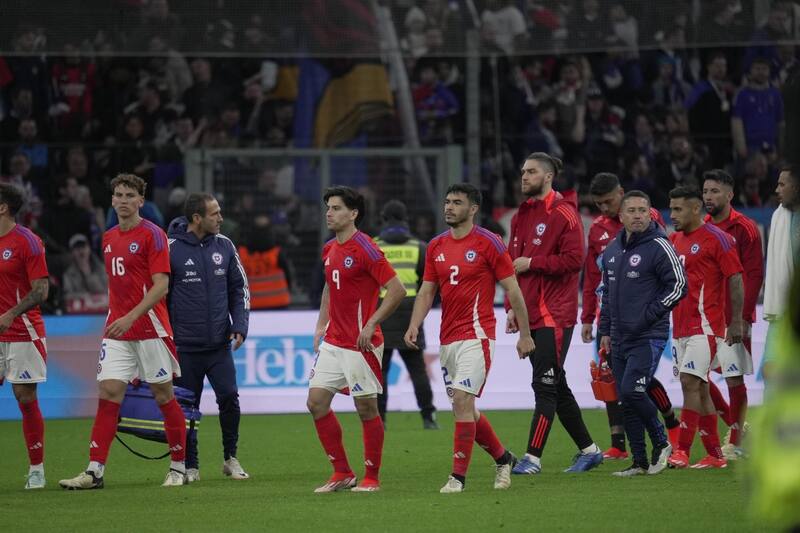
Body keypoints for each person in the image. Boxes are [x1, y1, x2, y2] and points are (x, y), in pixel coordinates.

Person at [404, 183, 534, 493]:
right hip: (447, 339)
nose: (449, 207)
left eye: (457, 202)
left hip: (477, 336)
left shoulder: (489, 243)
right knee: (466, 410)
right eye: (447, 201)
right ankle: (504, 458)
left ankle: (457, 478)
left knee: (462, 401)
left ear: (472, 209)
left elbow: (512, 289)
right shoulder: (435, 245)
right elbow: (426, 291)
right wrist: (414, 324)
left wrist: (525, 334)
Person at [59, 174, 187, 489]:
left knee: (163, 395)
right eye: (119, 194)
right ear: (112, 200)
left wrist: (131, 316)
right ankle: (94, 471)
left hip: (151, 328)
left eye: (130, 195)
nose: (124, 200)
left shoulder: (153, 235)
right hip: (118, 330)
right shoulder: (108, 238)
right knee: (108, 394)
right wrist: (120, 318)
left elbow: (162, 286)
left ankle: (179, 467)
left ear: (141, 201)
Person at [506, 152, 603, 475]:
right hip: (530, 314)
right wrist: (512, 309)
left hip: (554, 315)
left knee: (544, 385)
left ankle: (532, 458)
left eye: (531, 172)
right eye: (523, 171)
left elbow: (575, 260)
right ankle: (590, 451)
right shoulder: (521, 215)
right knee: (556, 385)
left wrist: (534, 263)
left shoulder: (565, 213)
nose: (524, 177)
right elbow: (511, 266)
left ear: (548, 177)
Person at [307, 186, 406, 493]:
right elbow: (328, 287)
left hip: (361, 344)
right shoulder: (329, 249)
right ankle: (342, 473)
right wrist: (321, 324)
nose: (329, 213)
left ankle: (371, 478)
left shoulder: (366, 248)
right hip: (334, 341)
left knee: (366, 409)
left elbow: (397, 289)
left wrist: (372, 323)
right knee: (316, 402)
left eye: (336, 208)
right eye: (328, 207)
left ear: (353, 214)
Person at [582, 172, 681, 460]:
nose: (604, 208)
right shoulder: (604, 236)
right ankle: (625, 448)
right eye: (599, 204)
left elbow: (673, 281)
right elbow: (595, 278)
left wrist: (650, 313)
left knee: (638, 384)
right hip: (614, 321)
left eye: (609, 201)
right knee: (618, 384)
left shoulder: (653, 231)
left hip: (646, 324)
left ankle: (668, 427)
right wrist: (593, 319)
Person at [167, 192, 250, 483]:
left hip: (218, 345)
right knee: (187, 409)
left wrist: (239, 324)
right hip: (184, 348)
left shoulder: (225, 246)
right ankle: (190, 465)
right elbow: (159, 297)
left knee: (230, 398)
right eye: (215, 213)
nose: (221, 218)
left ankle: (230, 458)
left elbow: (238, 289)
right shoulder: (170, 249)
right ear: (197, 218)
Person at [666, 186, 744, 469]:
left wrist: (736, 321)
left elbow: (735, 278)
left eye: (678, 209)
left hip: (707, 326)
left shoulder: (718, 239)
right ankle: (715, 455)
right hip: (680, 327)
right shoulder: (673, 240)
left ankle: (682, 451)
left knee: (690, 383)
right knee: (699, 388)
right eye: (671, 208)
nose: (672, 214)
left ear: (695, 209)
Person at [702, 169, 765, 459]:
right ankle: (738, 428)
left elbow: (753, 275)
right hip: (706, 315)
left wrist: (742, 317)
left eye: (715, 191)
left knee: (733, 377)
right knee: (697, 376)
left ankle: (737, 440)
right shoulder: (702, 226)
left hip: (733, 317)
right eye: (705, 192)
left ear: (729, 195)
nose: (708, 197)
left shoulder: (745, 227)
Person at [0, 183, 49, 489]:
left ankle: (37, 469)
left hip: (22, 331)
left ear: (2, 207)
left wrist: (10, 314)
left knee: (25, 397)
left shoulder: (27, 242)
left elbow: (42, 290)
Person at [374, 200, 437, 429]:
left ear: (383, 218)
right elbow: (427, 284)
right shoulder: (419, 247)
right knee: (418, 370)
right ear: (405, 219)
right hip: (411, 314)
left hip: (381, 312)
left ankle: (380, 419)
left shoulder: (374, 246)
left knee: (380, 371)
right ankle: (428, 418)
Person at [763, 165, 800, 379]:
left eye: (782, 184)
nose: (777, 190)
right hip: (784, 312)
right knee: (770, 370)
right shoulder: (780, 216)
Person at [62, 233, 109, 314]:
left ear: (89, 249)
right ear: (72, 253)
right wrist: (84, 297)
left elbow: (107, 291)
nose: (81, 251)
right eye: (77, 249)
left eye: (83, 247)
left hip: (102, 311)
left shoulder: (101, 269)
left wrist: (88, 275)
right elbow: (67, 296)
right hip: (80, 314)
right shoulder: (68, 275)